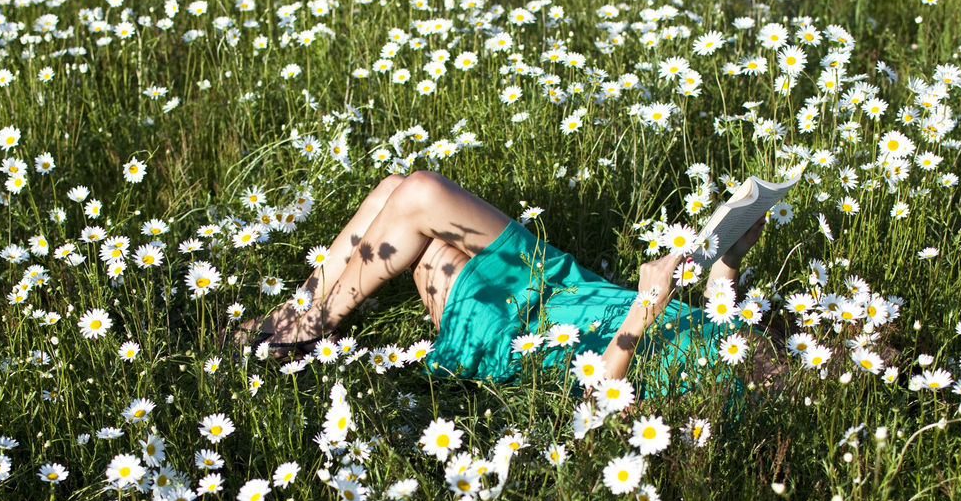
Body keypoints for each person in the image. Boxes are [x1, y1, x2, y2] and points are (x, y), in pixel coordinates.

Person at [240, 170, 775, 398]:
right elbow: (720, 320)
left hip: (525, 333)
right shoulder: (754, 357)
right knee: (400, 191)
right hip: (566, 283)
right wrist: (731, 257)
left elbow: (600, 403)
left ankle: (300, 332)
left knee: (420, 219)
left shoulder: (721, 405)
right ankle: (299, 315)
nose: (789, 351)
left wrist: (644, 306)